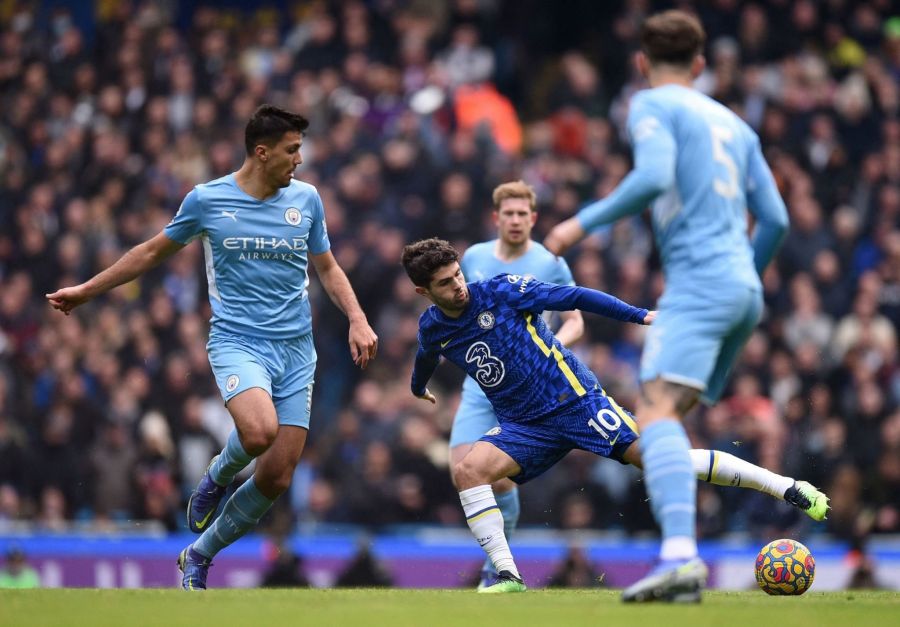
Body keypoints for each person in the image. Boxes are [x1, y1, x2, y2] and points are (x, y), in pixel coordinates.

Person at [46, 104, 378, 590]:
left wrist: (357, 317)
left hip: (297, 351)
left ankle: (199, 554)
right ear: (262, 153)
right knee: (259, 432)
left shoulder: (306, 200)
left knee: (276, 478)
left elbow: (326, 267)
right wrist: (86, 291)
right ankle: (219, 476)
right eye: (292, 151)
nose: (299, 161)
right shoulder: (207, 200)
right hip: (238, 342)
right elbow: (149, 252)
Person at [401, 238, 827, 595]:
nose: (458, 285)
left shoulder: (500, 292)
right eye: (445, 282)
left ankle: (787, 486)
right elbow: (425, 355)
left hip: (576, 402)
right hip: (523, 424)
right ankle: (508, 575)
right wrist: (419, 388)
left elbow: (574, 296)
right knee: (469, 470)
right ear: (424, 291)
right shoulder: (432, 326)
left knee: (658, 458)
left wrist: (639, 315)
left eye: (457, 274)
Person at [544, 11, 798, 602]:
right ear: (702, 64)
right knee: (669, 415)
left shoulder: (651, 104)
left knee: (653, 413)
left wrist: (575, 227)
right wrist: (747, 280)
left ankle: (681, 557)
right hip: (744, 291)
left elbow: (654, 177)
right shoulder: (736, 124)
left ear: (641, 63)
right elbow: (778, 220)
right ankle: (684, 556)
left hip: (701, 285)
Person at [452, 180, 584, 589]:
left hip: (525, 390)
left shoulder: (549, 263)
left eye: (521, 214)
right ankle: (499, 562)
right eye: (507, 213)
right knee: (462, 471)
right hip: (480, 384)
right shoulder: (473, 257)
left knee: (499, 477)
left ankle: (498, 568)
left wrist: (548, 348)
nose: (514, 220)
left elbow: (576, 318)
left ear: (533, 218)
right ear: (496, 218)